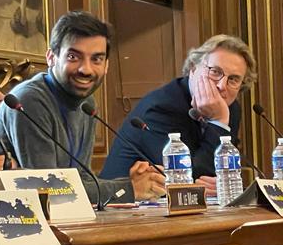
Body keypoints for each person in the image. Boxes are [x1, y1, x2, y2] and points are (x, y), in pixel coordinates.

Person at [0, 11, 164, 204]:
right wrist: (127, 189)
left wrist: (135, 183)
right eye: (74, 57)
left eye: (97, 59)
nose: (86, 69)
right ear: (51, 57)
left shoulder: (87, 104)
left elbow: (81, 179)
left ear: (107, 65)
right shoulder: (29, 100)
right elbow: (49, 190)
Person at [100, 35, 256, 192]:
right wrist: (219, 122)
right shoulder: (162, 107)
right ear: (193, 68)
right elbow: (185, 181)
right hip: (120, 207)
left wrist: (222, 185)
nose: (222, 85)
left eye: (234, 79)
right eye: (215, 72)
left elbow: (221, 174)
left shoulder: (229, 109)